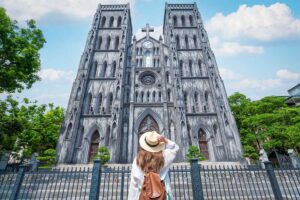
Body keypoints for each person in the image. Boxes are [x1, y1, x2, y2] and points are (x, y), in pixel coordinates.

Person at [128, 130, 180, 199]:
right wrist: (165, 140)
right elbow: (175, 148)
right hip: (162, 196)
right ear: (158, 145)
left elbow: (134, 185)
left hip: (143, 196)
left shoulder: (137, 160)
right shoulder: (164, 157)